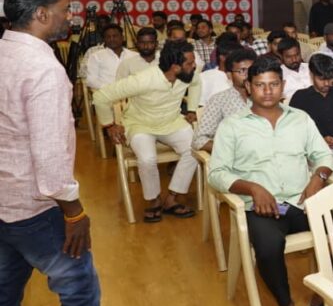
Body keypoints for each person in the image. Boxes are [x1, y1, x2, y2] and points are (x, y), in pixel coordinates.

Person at [1, 0, 154, 306]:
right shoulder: (44, 70)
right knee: (80, 295)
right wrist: (74, 211)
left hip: (4, 201)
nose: (70, 17)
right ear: (41, 14)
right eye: (65, 9)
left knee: (3, 302)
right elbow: (50, 158)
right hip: (37, 208)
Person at [208, 55, 333, 306]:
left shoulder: (300, 118)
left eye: (273, 84)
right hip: (262, 208)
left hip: (302, 201)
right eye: (260, 85)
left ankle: (323, 295)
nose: (267, 91)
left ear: (283, 85)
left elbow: (323, 156)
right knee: (268, 246)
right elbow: (216, 173)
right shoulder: (232, 126)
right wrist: (252, 188)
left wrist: (319, 177)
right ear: (248, 87)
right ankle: (285, 305)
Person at [93, 40, 201, 223]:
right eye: (190, 63)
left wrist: (191, 108)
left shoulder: (189, 75)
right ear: (175, 67)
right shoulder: (143, 79)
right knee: (147, 159)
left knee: (195, 148)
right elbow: (100, 96)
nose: (194, 66)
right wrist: (109, 125)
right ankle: (154, 200)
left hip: (172, 122)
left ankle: (172, 198)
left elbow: (196, 84)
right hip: (140, 125)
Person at [289, 54, 333, 162]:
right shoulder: (300, 98)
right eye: (321, 79)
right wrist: (320, 140)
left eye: (330, 79)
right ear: (311, 75)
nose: (327, 83)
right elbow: (294, 132)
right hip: (317, 152)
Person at [192, 48, 257, 153]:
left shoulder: (266, 97)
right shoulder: (219, 100)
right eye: (242, 71)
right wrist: (230, 149)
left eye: (252, 70)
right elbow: (200, 140)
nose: (248, 75)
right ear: (229, 75)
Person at [84, 24, 135, 90]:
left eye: (115, 36)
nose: (111, 39)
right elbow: (91, 81)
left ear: (122, 37)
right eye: (108, 37)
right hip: (107, 93)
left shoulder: (134, 56)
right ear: (104, 39)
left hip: (131, 93)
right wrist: (111, 89)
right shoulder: (96, 57)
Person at [199, 40, 241, 106]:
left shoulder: (243, 77)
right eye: (236, 58)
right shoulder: (206, 76)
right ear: (222, 57)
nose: (240, 61)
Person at [276, 37, 309, 102]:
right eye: (289, 57)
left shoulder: (310, 68)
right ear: (281, 56)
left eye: (297, 55)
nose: (294, 60)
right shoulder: (278, 75)